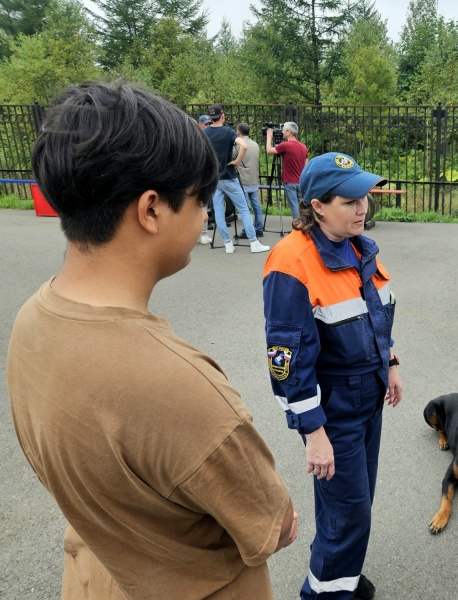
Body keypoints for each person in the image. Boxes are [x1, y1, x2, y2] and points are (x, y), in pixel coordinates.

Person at [7, 81, 298, 599]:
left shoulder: (34, 319)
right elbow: (276, 525)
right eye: (199, 199)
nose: (206, 213)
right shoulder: (177, 385)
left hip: (94, 577)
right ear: (151, 210)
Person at [262, 152, 403, 600]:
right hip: (335, 409)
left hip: (369, 397)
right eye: (350, 201)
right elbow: (287, 362)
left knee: (355, 507)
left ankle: (341, 581)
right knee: (347, 513)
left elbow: (374, 316)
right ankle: (325, 594)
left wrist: (392, 362)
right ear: (318, 205)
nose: (363, 208)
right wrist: (313, 433)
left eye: (364, 197)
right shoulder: (292, 262)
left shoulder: (359, 247)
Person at [204, 104, 270, 253]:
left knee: (219, 212)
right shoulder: (228, 132)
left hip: (215, 179)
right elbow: (243, 146)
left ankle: (228, 244)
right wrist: (237, 161)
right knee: (244, 209)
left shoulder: (205, 132)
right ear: (222, 115)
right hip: (229, 177)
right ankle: (254, 242)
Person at [266, 121, 308, 219]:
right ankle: (304, 226)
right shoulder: (303, 147)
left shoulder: (285, 145)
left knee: (294, 206)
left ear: (289, 132)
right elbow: (306, 166)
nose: (282, 132)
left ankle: (298, 228)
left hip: (290, 182)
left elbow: (269, 150)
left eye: (284, 130)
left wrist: (269, 137)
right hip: (301, 182)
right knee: (302, 207)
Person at [234, 122, 265, 239]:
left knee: (244, 206)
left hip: (243, 179)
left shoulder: (238, 145)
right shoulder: (255, 144)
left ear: (238, 132)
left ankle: (247, 230)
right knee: (256, 204)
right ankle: (259, 227)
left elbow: (233, 158)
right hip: (253, 178)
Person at [197, 114, 213, 244]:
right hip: (201, 175)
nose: (207, 126)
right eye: (205, 124)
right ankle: (202, 234)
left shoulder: (199, 136)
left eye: (208, 124)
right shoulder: (203, 137)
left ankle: (202, 234)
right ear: (200, 123)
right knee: (202, 205)